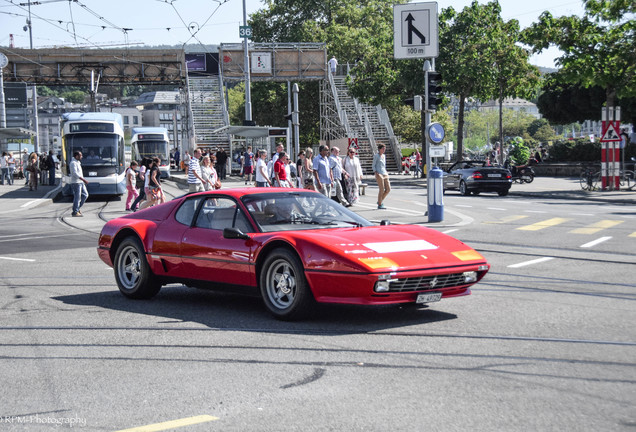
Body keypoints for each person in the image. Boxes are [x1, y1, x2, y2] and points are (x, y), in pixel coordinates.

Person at [69, 151, 89, 217]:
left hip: (80, 182)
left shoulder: (78, 162)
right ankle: (75, 211)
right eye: (80, 155)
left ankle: (77, 209)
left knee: (85, 195)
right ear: (76, 156)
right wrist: (83, 179)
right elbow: (74, 173)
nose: (82, 157)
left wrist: (82, 180)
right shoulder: (73, 163)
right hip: (76, 182)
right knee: (77, 197)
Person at [373, 143, 391, 209]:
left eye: (384, 149)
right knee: (381, 189)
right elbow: (373, 165)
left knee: (388, 189)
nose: (384, 150)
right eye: (383, 149)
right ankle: (380, 204)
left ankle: (379, 201)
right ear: (379, 149)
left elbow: (384, 166)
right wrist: (376, 172)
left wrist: (386, 172)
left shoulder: (384, 156)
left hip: (385, 173)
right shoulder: (376, 156)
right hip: (379, 173)